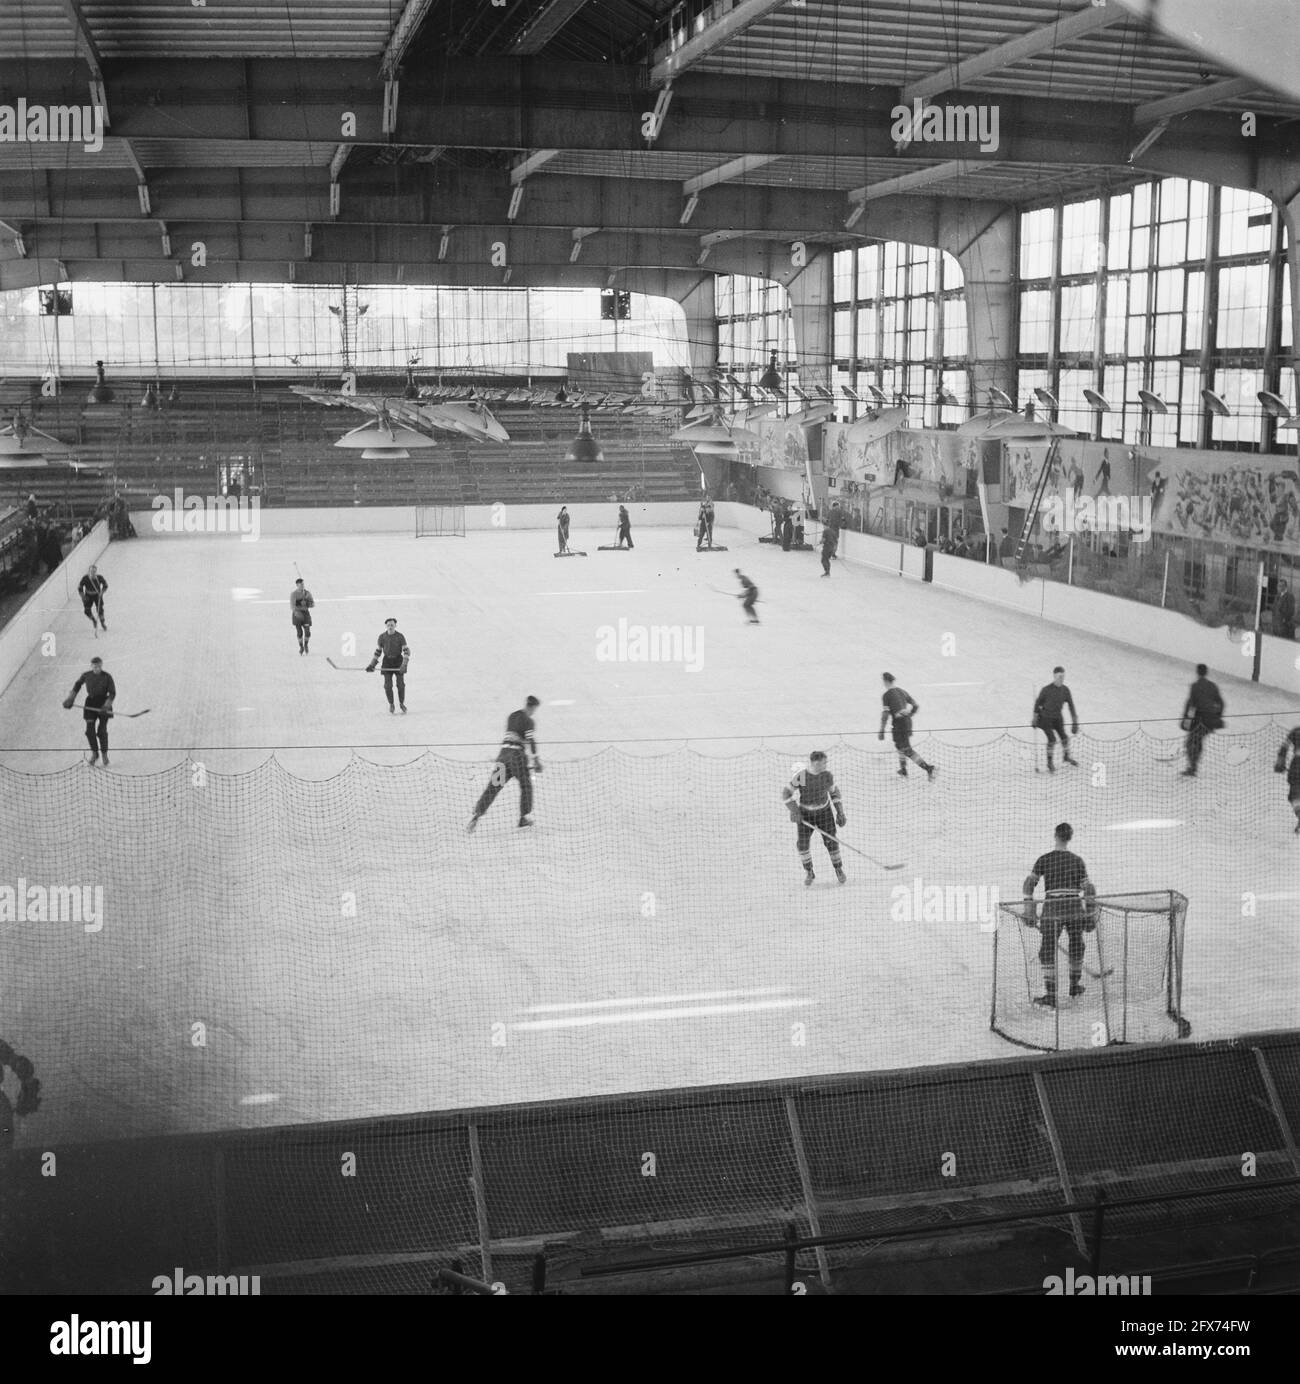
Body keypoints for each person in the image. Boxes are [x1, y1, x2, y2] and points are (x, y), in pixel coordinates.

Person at [1022, 822, 1097, 1008]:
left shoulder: (1045, 859)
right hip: (1074, 908)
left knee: (1047, 950)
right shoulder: (1077, 860)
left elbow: (1029, 885)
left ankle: (1051, 995)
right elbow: (1089, 888)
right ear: (1070, 837)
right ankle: (1074, 985)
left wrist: (1029, 909)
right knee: (1077, 945)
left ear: (1055, 835)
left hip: (1053, 909)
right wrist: (1090, 913)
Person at [467, 696, 543, 831]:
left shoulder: (512, 716)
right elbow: (530, 740)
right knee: (526, 786)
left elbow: (515, 733)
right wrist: (536, 759)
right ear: (533, 707)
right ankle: (523, 818)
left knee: (494, 786)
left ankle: (477, 815)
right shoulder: (528, 721)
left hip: (503, 757)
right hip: (517, 758)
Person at [782, 750, 847, 887]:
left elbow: (834, 792)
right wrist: (794, 811)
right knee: (802, 844)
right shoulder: (802, 776)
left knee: (831, 842)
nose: (826, 765)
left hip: (824, 813)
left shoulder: (826, 776)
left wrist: (840, 812)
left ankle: (838, 869)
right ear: (816, 763)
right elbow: (786, 793)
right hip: (806, 816)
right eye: (824, 762)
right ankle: (809, 872)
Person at [879, 673, 936, 780]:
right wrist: (909, 714)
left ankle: (928, 768)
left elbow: (885, 714)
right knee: (899, 746)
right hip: (907, 722)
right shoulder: (902, 691)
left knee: (906, 749)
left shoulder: (886, 696)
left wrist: (881, 730)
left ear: (885, 681)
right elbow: (915, 706)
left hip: (899, 724)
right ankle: (903, 770)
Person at [63, 654, 115, 768]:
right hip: (90, 703)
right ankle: (95, 753)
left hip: (103, 704)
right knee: (89, 731)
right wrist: (70, 698)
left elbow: (112, 693)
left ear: (101, 666)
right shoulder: (86, 675)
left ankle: (104, 753)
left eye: (99, 667)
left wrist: (106, 706)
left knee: (101, 731)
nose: (97, 669)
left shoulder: (107, 677)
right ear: (91, 666)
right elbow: (77, 685)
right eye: (95, 667)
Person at [1180, 663, 1224, 777]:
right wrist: (1217, 717)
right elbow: (1221, 703)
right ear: (1206, 672)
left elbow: (1190, 705)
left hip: (1200, 719)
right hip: (1210, 721)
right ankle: (1193, 766)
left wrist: (1185, 720)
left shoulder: (1195, 686)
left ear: (1197, 672)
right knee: (1197, 741)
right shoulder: (1213, 686)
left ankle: (1193, 767)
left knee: (1191, 742)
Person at [1033, 667, 1080, 772]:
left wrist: (1075, 721)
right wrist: (1035, 718)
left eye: (1063, 676)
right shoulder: (1046, 690)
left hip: (1058, 718)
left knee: (1064, 738)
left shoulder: (1065, 690)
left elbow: (1071, 706)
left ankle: (1066, 756)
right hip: (1045, 718)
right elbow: (1038, 703)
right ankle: (1049, 762)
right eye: (1059, 676)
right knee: (1052, 739)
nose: (1061, 678)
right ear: (1054, 676)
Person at [366, 617, 410, 714]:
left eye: (392, 625)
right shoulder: (382, 637)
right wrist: (372, 664)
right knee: (387, 685)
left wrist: (404, 664)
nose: (390, 627)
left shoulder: (400, 636)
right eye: (388, 625)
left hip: (398, 661)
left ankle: (402, 703)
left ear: (395, 626)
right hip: (387, 661)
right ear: (386, 626)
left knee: (400, 684)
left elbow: (406, 651)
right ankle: (391, 704)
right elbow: (378, 652)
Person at [1274, 727, 1300, 834]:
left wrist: (1280, 762)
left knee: (1294, 795)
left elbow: (1284, 747)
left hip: (1297, 765)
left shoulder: (1296, 731)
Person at [78, 563, 108, 634]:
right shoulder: (85, 578)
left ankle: (102, 622)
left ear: (96, 572)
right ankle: (94, 620)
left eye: (94, 572)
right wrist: (83, 596)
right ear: (89, 571)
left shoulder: (99, 578)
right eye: (91, 571)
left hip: (97, 596)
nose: (93, 573)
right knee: (87, 611)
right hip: (88, 596)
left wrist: (102, 592)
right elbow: (80, 587)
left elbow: (105, 585)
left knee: (100, 610)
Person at [291, 576, 315, 655]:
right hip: (297, 614)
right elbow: (292, 606)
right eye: (300, 584)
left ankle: (306, 645)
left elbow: (312, 604)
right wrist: (300, 604)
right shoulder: (294, 594)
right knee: (300, 632)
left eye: (303, 584)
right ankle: (301, 647)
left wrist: (308, 603)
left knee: (307, 632)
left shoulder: (307, 593)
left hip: (305, 614)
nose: (302, 586)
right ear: (297, 585)